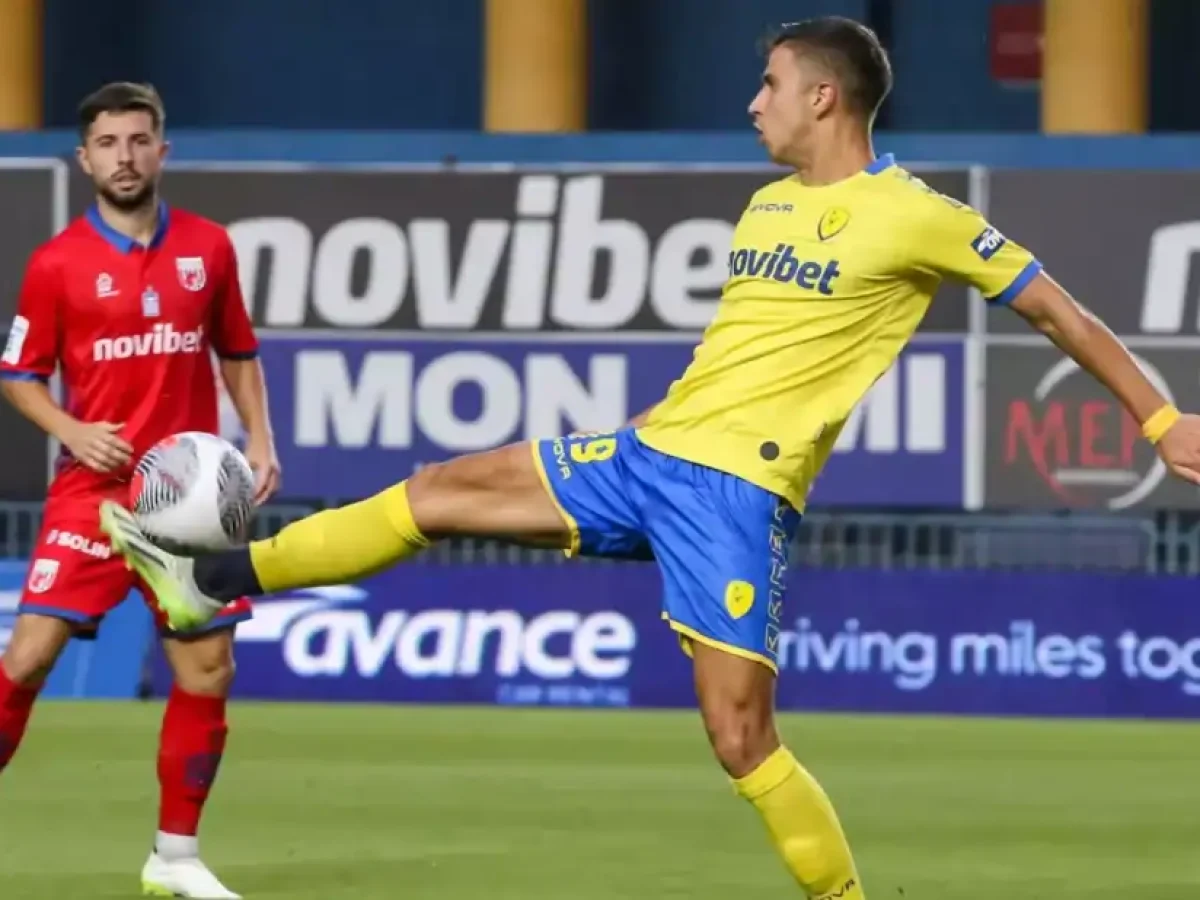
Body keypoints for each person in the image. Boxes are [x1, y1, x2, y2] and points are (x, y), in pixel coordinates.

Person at [102, 18, 1200, 900]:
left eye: (771, 84)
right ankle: (210, 581)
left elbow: (1059, 314)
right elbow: (740, 351)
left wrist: (1160, 422)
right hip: (646, 453)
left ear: (825, 97)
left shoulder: (917, 216)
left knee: (739, 735)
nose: (754, 103)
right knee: (436, 490)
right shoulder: (767, 206)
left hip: (735, 493)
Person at [0, 82, 280, 900]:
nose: (124, 157)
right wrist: (72, 429)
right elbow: (19, 375)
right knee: (27, 658)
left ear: (162, 150)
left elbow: (237, 350)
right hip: (93, 492)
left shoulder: (209, 247)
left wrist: (260, 438)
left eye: (137, 140)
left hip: (188, 501)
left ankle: (176, 858)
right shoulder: (55, 264)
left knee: (208, 670)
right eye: (107, 143)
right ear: (84, 159)